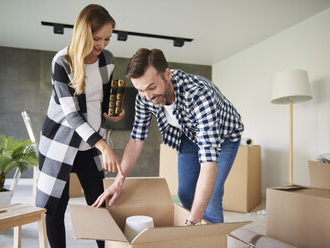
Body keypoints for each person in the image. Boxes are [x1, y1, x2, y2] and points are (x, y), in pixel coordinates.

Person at [93, 48, 243, 225]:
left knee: (211, 199)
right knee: (186, 194)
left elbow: (208, 164)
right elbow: (136, 140)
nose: (147, 96)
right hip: (189, 134)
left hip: (223, 138)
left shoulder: (199, 95)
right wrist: (119, 181)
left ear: (167, 74)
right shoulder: (144, 97)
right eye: (140, 90)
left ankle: (212, 238)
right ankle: (197, 229)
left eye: (152, 87)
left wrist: (192, 221)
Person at [36, 4, 123, 248]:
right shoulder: (62, 62)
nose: (103, 45)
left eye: (107, 38)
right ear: (83, 33)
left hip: (90, 146)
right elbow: (72, 115)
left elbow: (102, 97)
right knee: (55, 206)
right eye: (97, 38)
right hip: (60, 144)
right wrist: (104, 146)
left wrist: (111, 110)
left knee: (99, 203)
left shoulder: (107, 59)